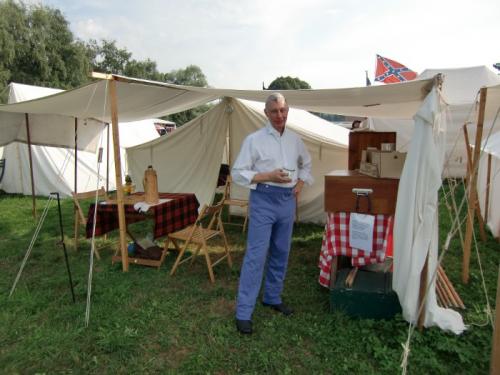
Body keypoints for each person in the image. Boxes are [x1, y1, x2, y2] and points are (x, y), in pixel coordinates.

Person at [231, 93, 313, 334]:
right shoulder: (254, 140)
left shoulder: (295, 139)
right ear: (266, 113)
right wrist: (268, 176)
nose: (280, 115)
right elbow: (237, 173)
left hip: (287, 201)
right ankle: (243, 312)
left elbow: (306, 164)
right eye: (275, 111)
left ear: (288, 111)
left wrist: (299, 186)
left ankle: (272, 296)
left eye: (283, 110)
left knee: (281, 251)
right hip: (264, 200)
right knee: (256, 256)